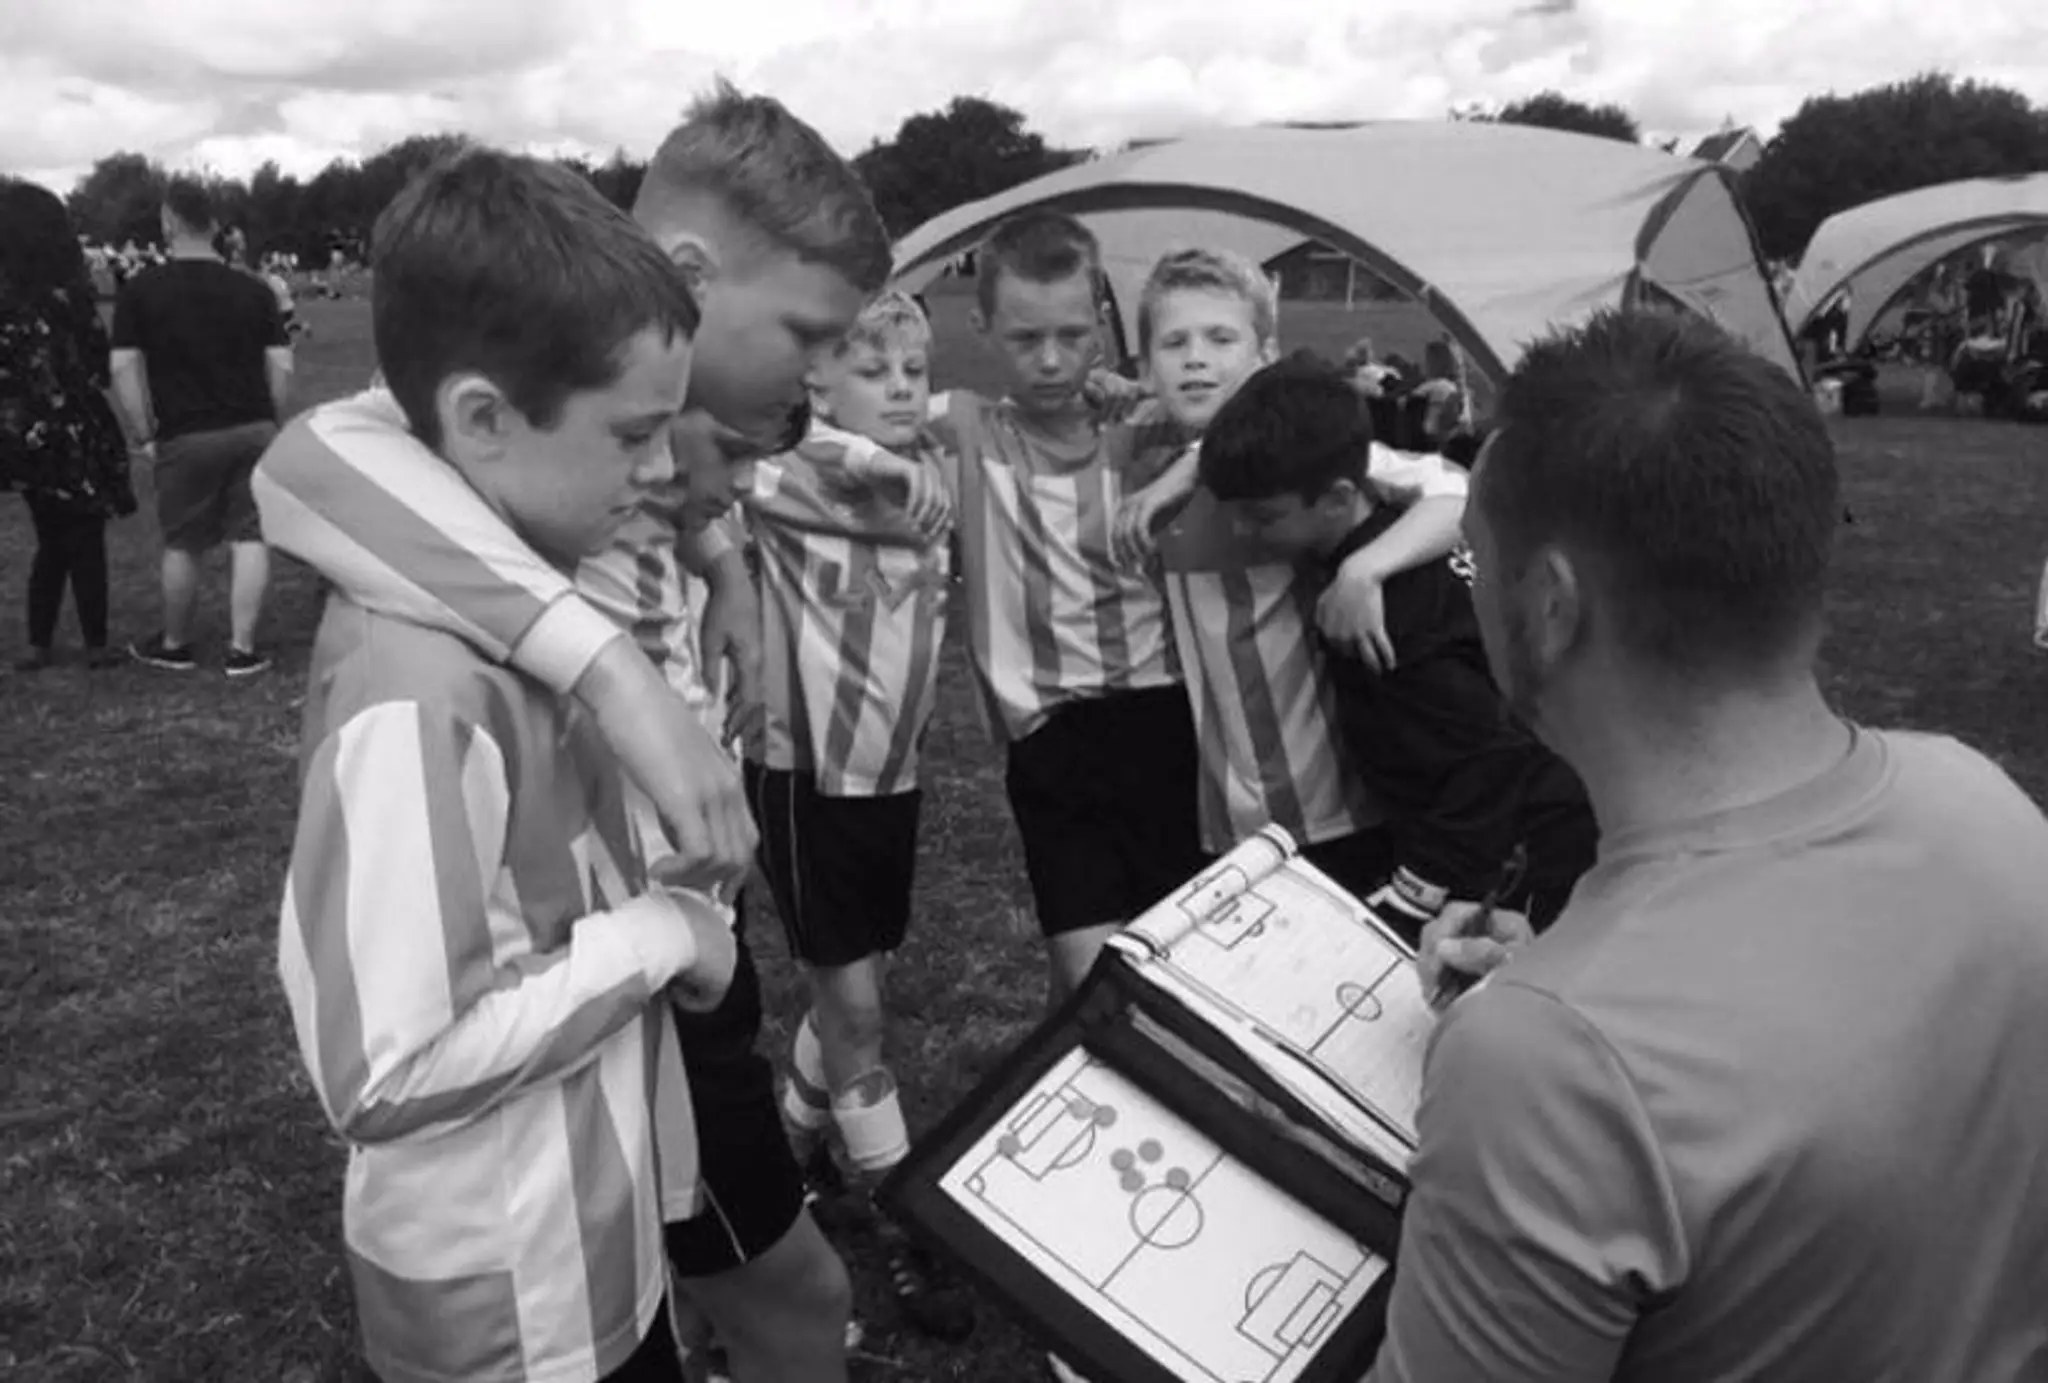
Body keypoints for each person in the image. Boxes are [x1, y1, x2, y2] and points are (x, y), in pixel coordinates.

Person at [254, 83, 911, 1378]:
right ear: (684, 276)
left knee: (665, 1269)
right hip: (586, 993)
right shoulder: (507, 424)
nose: (821, 373)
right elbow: (308, 463)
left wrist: (720, 558)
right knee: (774, 1282)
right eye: (810, 334)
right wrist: (616, 675)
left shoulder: (624, 437)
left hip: (620, 995)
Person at [1368, 307, 2048, 1382]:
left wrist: (1560, 1050)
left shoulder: (1544, 1068)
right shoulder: (1982, 801)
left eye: (1469, 563)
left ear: (1547, 607)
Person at [276, 147, 736, 1383]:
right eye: (635, 433)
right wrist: (663, 936)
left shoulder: (512, 578)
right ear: (480, 420)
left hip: (585, 1241)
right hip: (507, 1315)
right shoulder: (413, 694)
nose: (663, 471)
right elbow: (384, 1070)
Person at [740, 289, 970, 1336]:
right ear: (817, 384)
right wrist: (867, 457)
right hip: (804, 778)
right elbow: (756, 458)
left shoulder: (935, 467)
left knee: (855, 988)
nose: (903, 391)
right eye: (874, 373)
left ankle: (788, 1151)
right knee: (859, 1010)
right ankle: (901, 1221)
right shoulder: (781, 475)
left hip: (890, 778)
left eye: (913, 372)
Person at [1109, 248, 1469, 910]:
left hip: (1344, 807)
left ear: (1265, 354)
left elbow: (1455, 489)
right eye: (1174, 342)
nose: (1196, 358)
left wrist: (1366, 567)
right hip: (1227, 817)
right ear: (1143, 366)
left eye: (1222, 338)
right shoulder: (1146, 463)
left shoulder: (1297, 458)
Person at [1195, 357, 1595, 942]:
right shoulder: (1401, 529)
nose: (1243, 533)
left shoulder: (1385, 622)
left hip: (1529, 852)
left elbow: (1491, 759)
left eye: (1263, 517)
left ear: (1335, 498)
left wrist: (1413, 896)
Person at [110, 177, 292, 675]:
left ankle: (175, 643)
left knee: (183, 541)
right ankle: (243, 648)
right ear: (214, 224)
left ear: (167, 222)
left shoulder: (143, 290)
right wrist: (269, 417)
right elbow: (281, 364)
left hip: (185, 432)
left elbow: (124, 367)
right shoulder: (254, 290)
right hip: (253, 425)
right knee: (251, 535)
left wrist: (144, 432)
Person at [0, 178, 137, 671]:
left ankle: (39, 640)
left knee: (50, 535)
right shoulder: (71, 298)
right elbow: (100, 362)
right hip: (75, 426)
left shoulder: (6, 300)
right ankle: (96, 642)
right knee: (84, 535)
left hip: (21, 434)